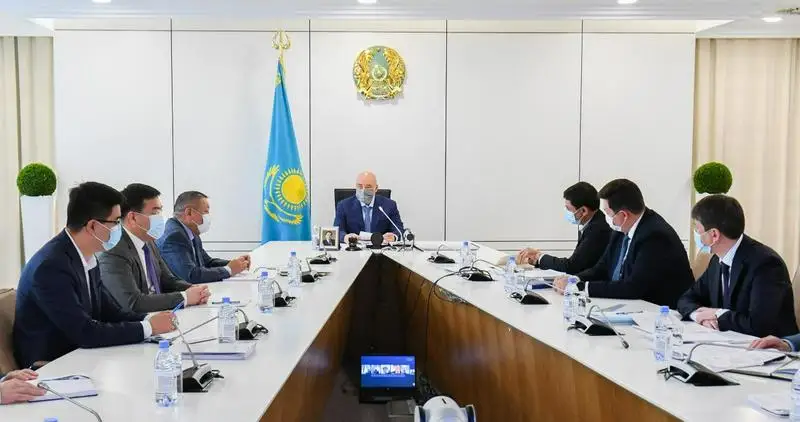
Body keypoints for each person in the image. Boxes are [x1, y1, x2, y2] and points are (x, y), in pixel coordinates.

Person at [13, 182, 176, 369]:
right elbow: (85, 332)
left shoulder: (87, 255)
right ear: (92, 226)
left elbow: (110, 312)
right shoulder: (50, 267)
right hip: (51, 365)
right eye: (116, 222)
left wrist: (148, 319)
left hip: (83, 354)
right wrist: (148, 328)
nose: (120, 228)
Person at [552, 179, 693, 308]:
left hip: (660, 311)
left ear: (623, 215)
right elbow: (602, 268)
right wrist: (574, 280)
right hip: (629, 305)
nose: (606, 218)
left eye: (608, 213)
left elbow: (633, 287)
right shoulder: (621, 229)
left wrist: (580, 288)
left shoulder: (655, 236)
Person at [677, 195, 796, 337]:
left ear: (714, 235)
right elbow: (686, 299)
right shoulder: (717, 259)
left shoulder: (767, 264)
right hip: (729, 341)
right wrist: (699, 316)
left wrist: (718, 314)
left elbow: (758, 325)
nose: (696, 234)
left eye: (697, 229)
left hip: (770, 346)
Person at [99, 184, 211, 313]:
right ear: (133, 218)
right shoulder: (114, 250)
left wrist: (194, 289)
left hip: (159, 314)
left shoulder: (149, 241)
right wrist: (184, 297)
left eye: (160, 211)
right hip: (138, 320)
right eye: (155, 213)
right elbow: (132, 303)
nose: (160, 217)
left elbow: (167, 280)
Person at [516, 182, 611, 274]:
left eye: (568, 209)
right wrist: (537, 261)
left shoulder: (597, 230)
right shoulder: (594, 223)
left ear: (583, 211)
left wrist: (539, 256)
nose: (566, 212)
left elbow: (572, 266)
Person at [157, 191, 250, 283]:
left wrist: (237, 264)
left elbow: (207, 263)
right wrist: (229, 270)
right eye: (205, 212)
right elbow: (191, 275)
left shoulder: (191, 232)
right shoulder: (174, 236)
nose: (208, 217)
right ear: (189, 212)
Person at [334, 171, 403, 244]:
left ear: (376, 188)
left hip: (380, 247)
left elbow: (398, 229)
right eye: (360, 186)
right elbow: (338, 230)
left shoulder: (389, 205)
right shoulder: (343, 205)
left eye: (368, 187)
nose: (363, 190)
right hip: (355, 247)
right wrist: (345, 237)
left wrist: (394, 237)